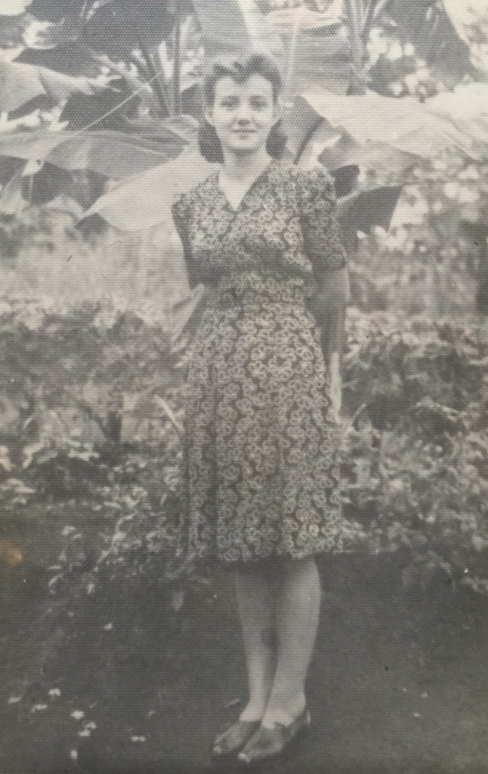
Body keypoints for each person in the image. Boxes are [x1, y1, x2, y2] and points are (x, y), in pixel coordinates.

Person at [171, 51, 349, 765]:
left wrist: (326, 375)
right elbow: (207, 285)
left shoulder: (306, 189)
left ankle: (291, 700)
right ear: (210, 115)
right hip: (220, 374)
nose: (242, 114)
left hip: (290, 370)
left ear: (275, 112)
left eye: (255, 101)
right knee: (243, 541)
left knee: (291, 535)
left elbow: (334, 291)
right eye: (228, 102)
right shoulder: (190, 204)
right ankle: (255, 697)